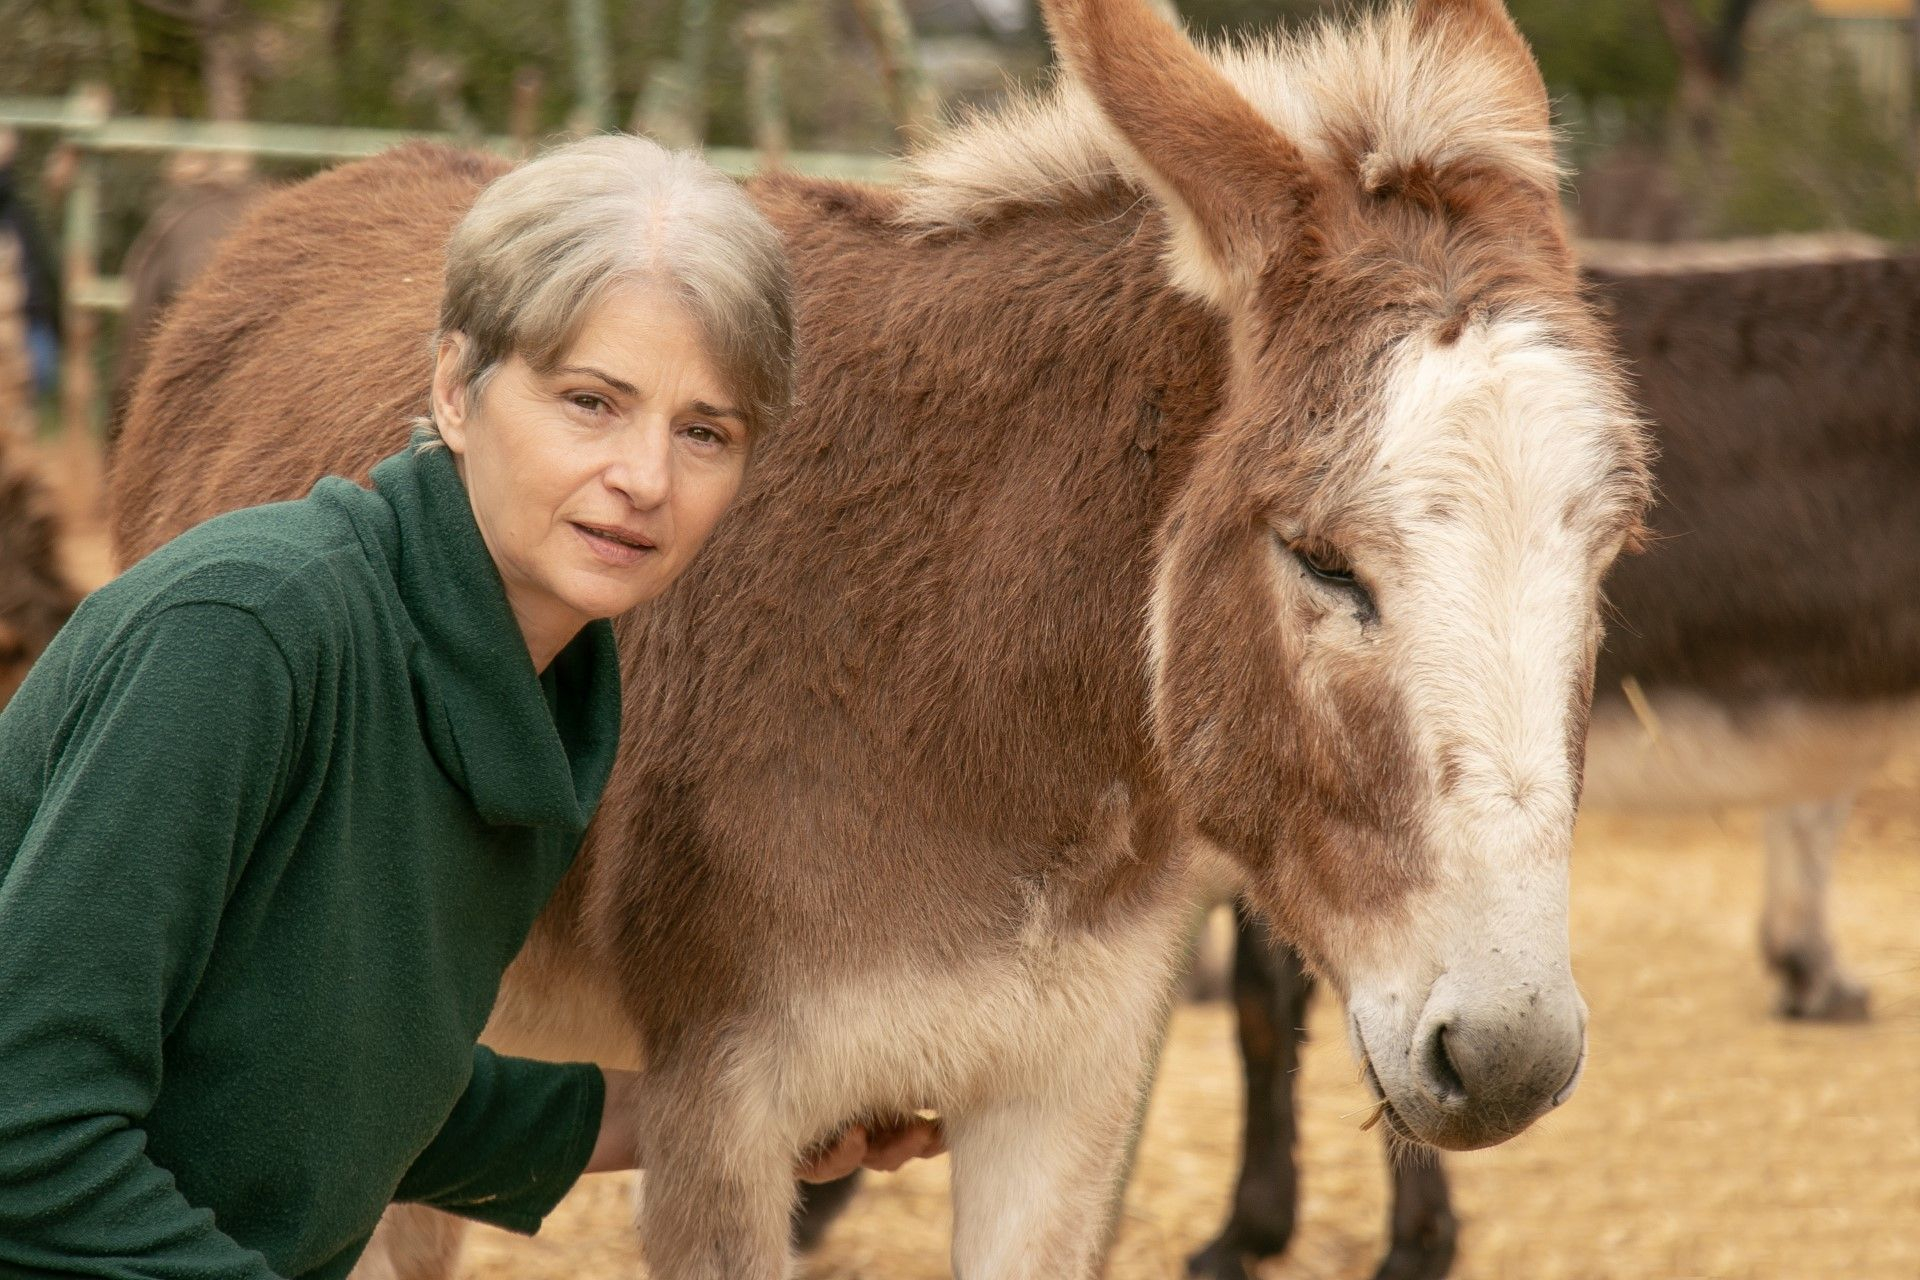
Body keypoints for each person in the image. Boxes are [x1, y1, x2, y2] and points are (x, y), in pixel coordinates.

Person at [0, 135, 940, 1280]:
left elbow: (352, 1084)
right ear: (455, 387)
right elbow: (24, 1130)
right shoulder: (248, 634)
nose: (646, 477)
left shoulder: (534, 686)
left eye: (705, 430)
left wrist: (710, 1115)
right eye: (591, 401)